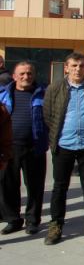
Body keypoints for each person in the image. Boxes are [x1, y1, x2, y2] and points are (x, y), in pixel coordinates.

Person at [42, 52, 84, 245]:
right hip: (64, 144)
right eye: (74, 66)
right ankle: (55, 225)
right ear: (67, 68)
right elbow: (48, 114)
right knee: (60, 186)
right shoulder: (55, 88)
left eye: (81, 66)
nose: (77, 69)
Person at [0, 62, 47, 235]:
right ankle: (13, 219)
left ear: (34, 75)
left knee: (34, 186)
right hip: (9, 147)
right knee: (8, 185)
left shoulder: (43, 93)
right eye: (22, 74)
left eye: (29, 73)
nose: (26, 77)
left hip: (34, 147)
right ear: (14, 76)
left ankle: (32, 220)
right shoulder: (3, 94)